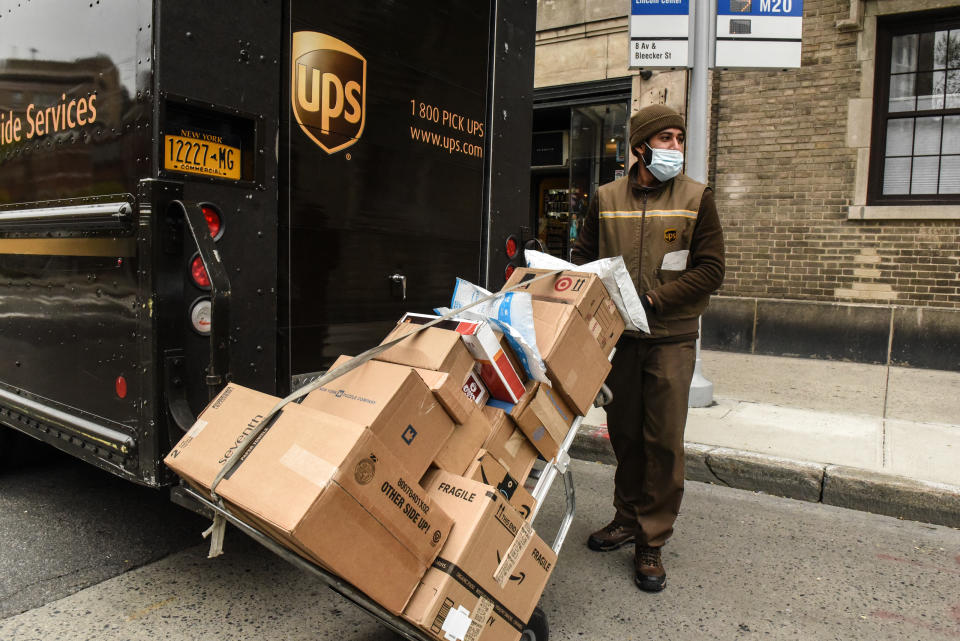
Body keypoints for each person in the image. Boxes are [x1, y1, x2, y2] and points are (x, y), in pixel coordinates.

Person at [571, 104, 725, 592]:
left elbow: (711, 269)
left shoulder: (697, 197)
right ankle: (627, 517)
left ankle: (651, 541)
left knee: (662, 442)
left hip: (671, 339)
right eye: (666, 139)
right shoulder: (606, 196)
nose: (675, 147)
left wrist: (655, 298)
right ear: (640, 147)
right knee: (626, 435)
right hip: (622, 339)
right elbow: (582, 255)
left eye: (680, 138)